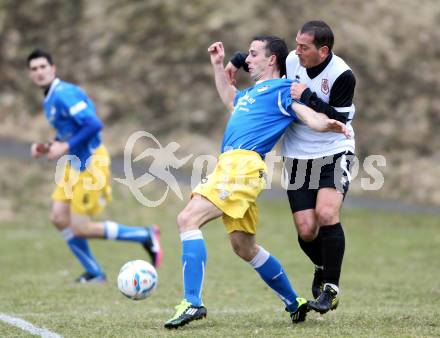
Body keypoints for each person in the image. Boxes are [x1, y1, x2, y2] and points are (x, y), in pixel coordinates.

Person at [164, 36, 349, 329]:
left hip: (242, 168)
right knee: (243, 247)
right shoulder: (249, 94)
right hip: (230, 166)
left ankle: (192, 303)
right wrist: (216, 65)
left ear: (271, 59)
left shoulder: (282, 89)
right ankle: (294, 302)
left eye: (253, 54)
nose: (246, 59)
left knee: (187, 219)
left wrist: (328, 123)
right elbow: (228, 98)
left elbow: (307, 114)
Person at [225, 20, 356, 314]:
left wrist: (307, 97)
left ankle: (331, 289)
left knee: (326, 213)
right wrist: (235, 60)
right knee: (306, 230)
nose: (296, 52)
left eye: (304, 47)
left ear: (323, 51)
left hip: (334, 151)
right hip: (297, 155)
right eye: (296, 44)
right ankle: (322, 266)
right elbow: (262, 64)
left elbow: (341, 119)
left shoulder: (342, 75)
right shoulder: (292, 60)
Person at [27, 49, 163, 283]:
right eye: (34, 69)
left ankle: (144, 235)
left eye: (43, 67)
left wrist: (64, 145)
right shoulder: (50, 98)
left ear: (53, 68)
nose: (39, 72)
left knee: (81, 227)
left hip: (90, 163)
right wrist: (48, 146)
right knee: (59, 217)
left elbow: (93, 124)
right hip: (73, 164)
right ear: (30, 74)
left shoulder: (64, 94)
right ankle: (94, 272)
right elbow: (70, 131)